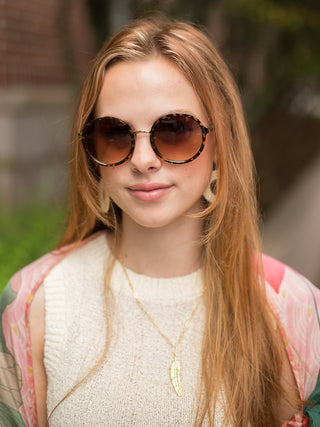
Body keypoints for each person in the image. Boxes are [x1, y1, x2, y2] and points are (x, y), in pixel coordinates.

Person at [0, 17, 319, 427]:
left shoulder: (293, 309)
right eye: (114, 134)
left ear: (220, 144)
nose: (143, 160)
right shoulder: (32, 304)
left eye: (174, 130)